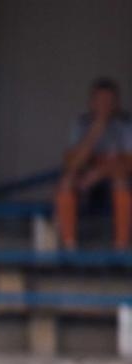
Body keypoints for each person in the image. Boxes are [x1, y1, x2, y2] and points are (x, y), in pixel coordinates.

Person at [54, 77, 131, 252]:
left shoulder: (126, 125)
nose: (105, 106)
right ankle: (69, 244)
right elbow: (72, 164)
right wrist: (96, 129)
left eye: (109, 101)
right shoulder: (81, 123)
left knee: (121, 180)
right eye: (100, 101)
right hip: (85, 179)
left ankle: (121, 245)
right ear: (91, 103)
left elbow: (128, 163)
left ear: (116, 104)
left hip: (115, 178)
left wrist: (101, 172)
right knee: (66, 182)